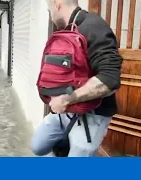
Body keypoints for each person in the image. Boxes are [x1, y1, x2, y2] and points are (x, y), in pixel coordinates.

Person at [31, 0, 122, 157]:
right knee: (37, 146)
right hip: (64, 112)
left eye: (49, 10)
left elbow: (110, 78)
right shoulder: (68, 30)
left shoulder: (94, 26)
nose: (50, 15)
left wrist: (66, 99)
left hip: (93, 115)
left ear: (57, 4)